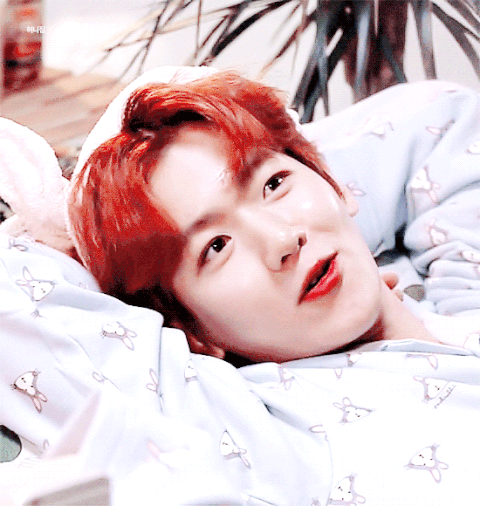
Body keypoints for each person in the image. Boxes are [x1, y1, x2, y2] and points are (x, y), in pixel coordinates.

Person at [68, 68, 477, 365]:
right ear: (192, 332)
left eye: (273, 184)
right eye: (216, 247)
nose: (282, 240)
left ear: (331, 182)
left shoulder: (456, 300)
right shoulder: (263, 430)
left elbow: (447, 116)